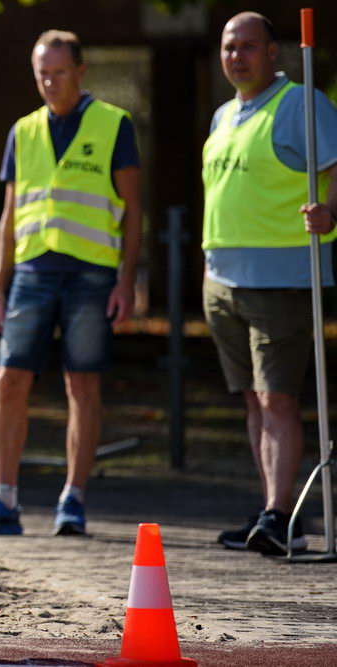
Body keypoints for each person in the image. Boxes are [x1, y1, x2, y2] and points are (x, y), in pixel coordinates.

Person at [0, 30, 142, 537]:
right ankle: (4, 500)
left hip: (91, 274)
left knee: (83, 384)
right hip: (32, 274)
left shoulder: (114, 125)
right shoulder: (23, 131)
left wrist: (127, 282)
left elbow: (134, 210)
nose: (49, 82)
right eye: (42, 74)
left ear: (81, 71)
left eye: (58, 72)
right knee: (9, 379)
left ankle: (73, 500)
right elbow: (9, 218)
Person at [204, 12, 337, 556]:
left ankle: (281, 515)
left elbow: (334, 166)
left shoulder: (302, 103)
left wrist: (329, 212)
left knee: (277, 399)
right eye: (230, 47)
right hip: (223, 281)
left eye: (249, 47)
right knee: (255, 403)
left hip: (282, 278)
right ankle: (273, 512)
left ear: (274, 51)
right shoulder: (222, 115)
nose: (238, 56)